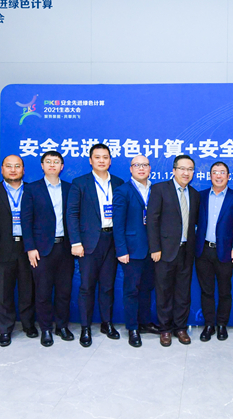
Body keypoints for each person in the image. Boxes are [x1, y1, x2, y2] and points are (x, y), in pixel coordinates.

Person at [67, 144, 125, 347]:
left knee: (108, 286)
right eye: (97, 157)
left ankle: (106, 323)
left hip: (112, 241)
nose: (101, 160)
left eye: (105, 157)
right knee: (87, 286)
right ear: (90, 160)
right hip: (89, 243)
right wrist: (76, 242)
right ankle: (85, 327)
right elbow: (72, 214)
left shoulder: (118, 183)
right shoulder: (80, 183)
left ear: (110, 160)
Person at [0, 155, 38, 347]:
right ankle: (5, 329)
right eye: (9, 166)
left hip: (28, 247)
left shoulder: (33, 190)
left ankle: (28, 324)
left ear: (23, 170)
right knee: (3, 291)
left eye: (17, 166)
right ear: (2, 169)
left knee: (28, 289)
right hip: (1, 248)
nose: (13, 170)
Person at [21, 150, 75, 347]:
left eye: (56, 162)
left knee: (64, 291)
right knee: (43, 292)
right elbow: (26, 220)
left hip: (65, 248)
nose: (52, 165)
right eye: (48, 161)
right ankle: (45, 329)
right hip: (41, 249)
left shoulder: (70, 188)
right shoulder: (32, 189)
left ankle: (62, 326)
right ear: (42, 166)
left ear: (62, 166)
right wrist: (30, 248)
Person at [146, 155, 200, 347]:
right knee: (164, 292)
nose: (186, 173)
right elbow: (152, 220)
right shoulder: (160, 189)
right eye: (182, 169)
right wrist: (155, 248)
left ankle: (181, 328)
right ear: (174, 170)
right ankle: (165, 329)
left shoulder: (195, 194)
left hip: (187, 251)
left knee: (183, 292)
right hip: (164, 251)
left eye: (190, 169)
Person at [113, 155, 160, 347]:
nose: (141, 168)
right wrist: (121, 249)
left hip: (153, 250)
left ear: (150, 168)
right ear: (130, 169)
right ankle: (132, 327)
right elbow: (118, 224)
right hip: (131, 250)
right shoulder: (122, 191)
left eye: (145, 165)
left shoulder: (156, 190)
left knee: (147, 288)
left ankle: (145, 322)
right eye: (137, 165)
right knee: (131, 290)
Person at [194, 161, 233, 342]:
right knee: (206, 291)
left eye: (222, 172)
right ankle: (209, 325)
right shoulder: (200, 196)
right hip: (203, 250)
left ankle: (222, 324)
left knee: (224, 291)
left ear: (228, 176)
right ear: (210, 176)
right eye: (215, 172)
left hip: (225, 251)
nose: (218, 175)